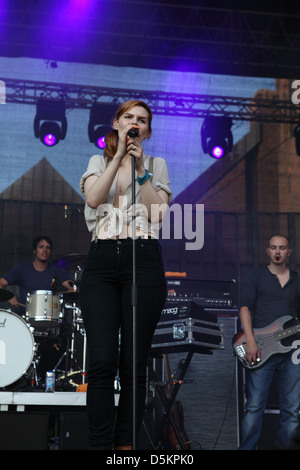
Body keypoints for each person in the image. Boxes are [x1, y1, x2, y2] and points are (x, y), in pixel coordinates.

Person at [79, 99, 172, 450]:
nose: (135, 123)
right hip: (102, 261)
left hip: (143, 258)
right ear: (117, 123)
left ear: (147, 130)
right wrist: (118, 158)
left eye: (142, 120)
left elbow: (158, 212)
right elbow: (93, 199)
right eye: (129, 117)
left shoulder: (156, 164)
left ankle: (125, 446)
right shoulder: (97, 161)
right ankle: (100, 445)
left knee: (134, 361)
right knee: (102, 359)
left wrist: (140, 168)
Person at [238, 234, 300, 449]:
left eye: (282, 248)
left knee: (291, 409)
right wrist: (251, 341)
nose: (277, 252)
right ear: (267, 251)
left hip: (293, 351)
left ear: (288, 252)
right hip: (261, 348)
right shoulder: (256, 276)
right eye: (273, 247)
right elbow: (244, 308)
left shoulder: (297, 280)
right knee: (254, 406)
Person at [0, 235, 73, 311]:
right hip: (25, 317)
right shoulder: (22, 269)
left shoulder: (57, 270)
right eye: (41, 247)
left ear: (50, 251)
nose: (45, 250)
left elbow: (73, 289)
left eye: (48, 247)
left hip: (50, 317)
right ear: (34, 250)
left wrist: (57, 298)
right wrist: (9, 296)